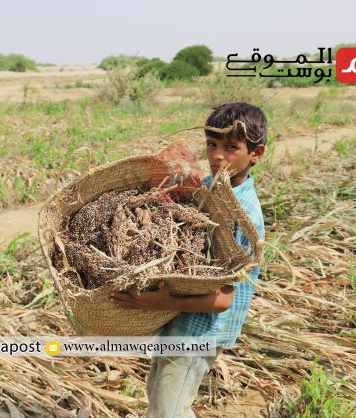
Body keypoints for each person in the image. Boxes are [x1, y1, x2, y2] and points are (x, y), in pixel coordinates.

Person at [111, 102, 267, 417]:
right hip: (182, 316)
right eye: (211, 144)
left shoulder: (244, 214)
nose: (217, 156)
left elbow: (223, 299)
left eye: (231, 147)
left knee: (167, 410)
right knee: (163, 400)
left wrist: (157, 302)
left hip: (201, 328)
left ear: (256, 153)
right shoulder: (213, 187)